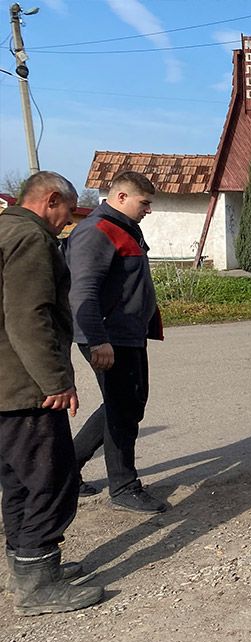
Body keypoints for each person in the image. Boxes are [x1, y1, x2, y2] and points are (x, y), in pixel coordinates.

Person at [0, 171, 106, 615]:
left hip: (6, 385)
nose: (67, 222)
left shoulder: (5, 229)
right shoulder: (32, 240)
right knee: (53, 478)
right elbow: (29, 316)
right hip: (25, 388)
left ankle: (26, 567)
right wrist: (56, 381)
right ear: (49, 201)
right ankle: (37, 585)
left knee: (18, 480)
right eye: (66, 211)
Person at [64, 171, 167, 513]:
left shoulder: (124, 228)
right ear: (121, 197)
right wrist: (97, 340)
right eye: (144, 202)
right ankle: (123, 486)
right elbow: (83, 292)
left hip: (126, 334)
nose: (148, 209)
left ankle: (66, 470)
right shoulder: (96, 232)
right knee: (123, 409)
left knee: (126, 404)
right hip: (107, 337)